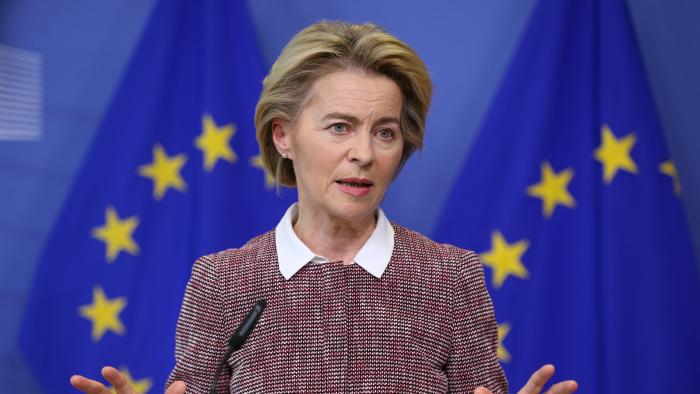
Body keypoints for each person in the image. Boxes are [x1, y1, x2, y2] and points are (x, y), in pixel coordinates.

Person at [70, 21, 578, 394]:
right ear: (283, 135)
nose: (364, 153)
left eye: (385, 132)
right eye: (340, 127)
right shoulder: (222, 282)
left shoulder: (450, 278)